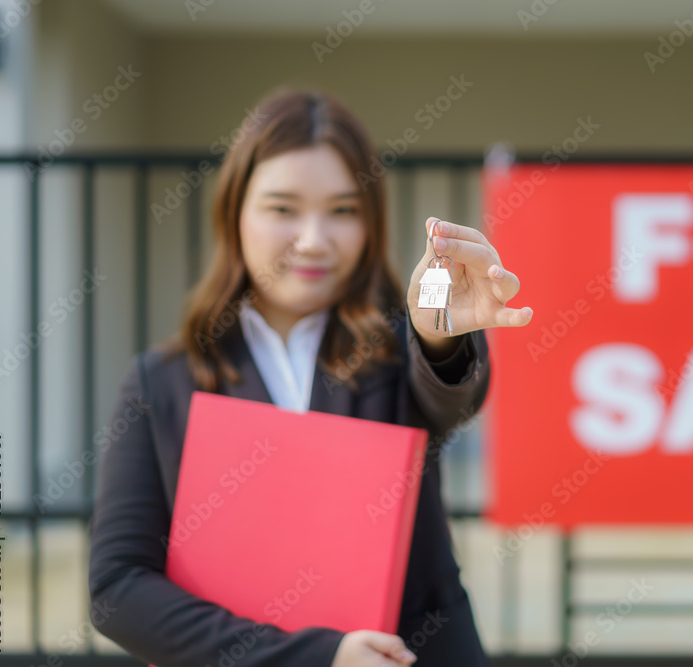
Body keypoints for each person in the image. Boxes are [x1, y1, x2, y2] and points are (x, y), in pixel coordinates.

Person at [87, 88, 532, 667]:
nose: (315, 239)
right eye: (283, 208)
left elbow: (448, 395)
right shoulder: (163, 383)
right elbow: (117, 591)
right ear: (235, 212)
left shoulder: (400, 350)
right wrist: (318, 657)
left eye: (344, 210)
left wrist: (439, 333)